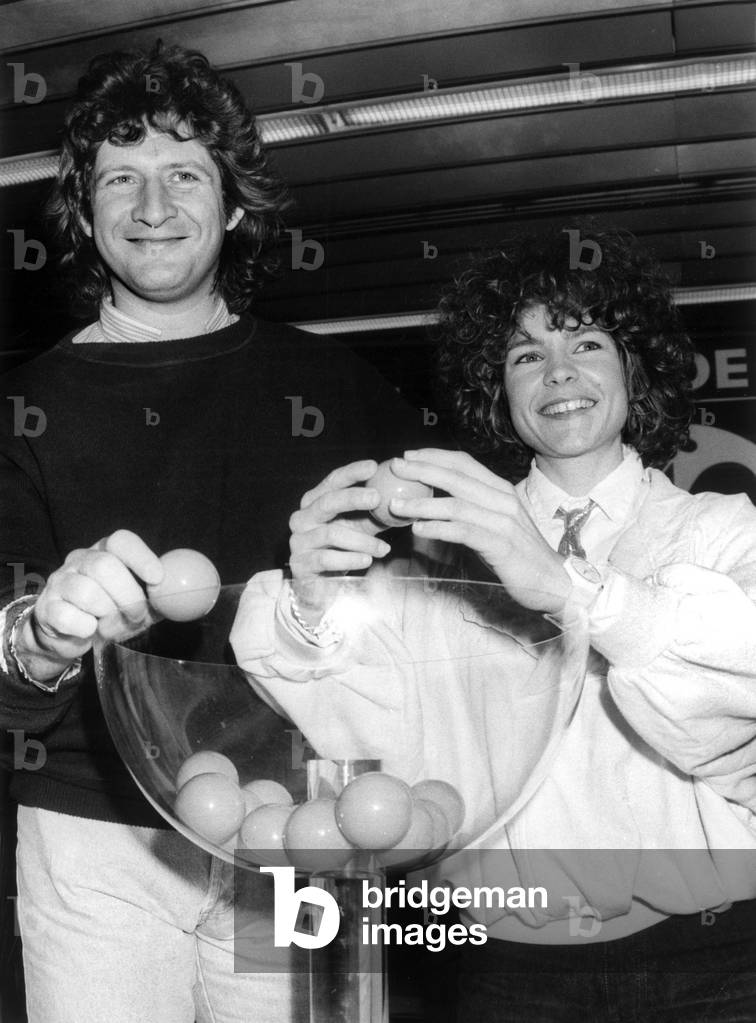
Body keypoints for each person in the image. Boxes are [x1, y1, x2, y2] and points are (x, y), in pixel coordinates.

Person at [0, 43, 433, 1023]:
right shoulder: (25, 409)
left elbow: (425, 627)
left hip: (300, 816)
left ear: (234, 206)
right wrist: (37, 633)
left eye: (184, 174)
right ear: (84, 207)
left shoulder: (340, 392)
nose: (153, 208)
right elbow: (6, 661)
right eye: (122, 177)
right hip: (92, 829)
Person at [231, 222, 756, 1021]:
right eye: (524, 354)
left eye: (585, 342)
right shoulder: (447, 567)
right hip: (509, 973)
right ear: (498, 391)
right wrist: (311, 598)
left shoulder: (722, 531)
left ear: (633, 367)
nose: (557, 372)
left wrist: (567, 583)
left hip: (716, 962)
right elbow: (361, 722)